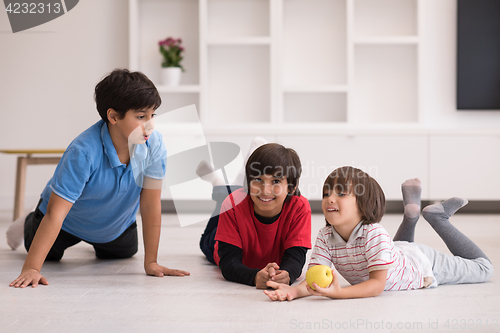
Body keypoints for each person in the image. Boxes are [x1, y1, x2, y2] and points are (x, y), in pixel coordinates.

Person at [8, 69, 190, 288]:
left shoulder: (154, 144)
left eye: (153, 116)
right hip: (67, 221)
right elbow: (55, 214)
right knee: (48, 255)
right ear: (113, 116)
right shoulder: (83, 152)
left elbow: (150, 204)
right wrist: (31, 269)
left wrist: (151, 262)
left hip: (113, 225)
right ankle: (29, 218)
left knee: (124, 253)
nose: (150, 125)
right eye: (141, 117)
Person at [264, 166, 493, 300]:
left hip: (422, 263)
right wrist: (293, 292)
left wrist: (339, 294)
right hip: (396, 253)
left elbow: (377, 285)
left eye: (341, 194)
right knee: (398, 248)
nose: (329, 199)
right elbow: (315, 279)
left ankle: (437, 218)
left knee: (484, 268)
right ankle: (410, 215)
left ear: (363, 204)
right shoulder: (325, 236)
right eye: (326, 193)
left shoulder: (374, 234)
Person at [198, 142, 312, 289]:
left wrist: (287, 274)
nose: (266, 190)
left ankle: (223, 181)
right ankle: (217, 180)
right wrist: (254, 277)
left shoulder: (299, 207)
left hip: (245, 199)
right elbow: (229, 262)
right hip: (224, 236)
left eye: (276, 181)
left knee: (234, 195)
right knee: (224, 204)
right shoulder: (232, 204)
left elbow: (296, 256)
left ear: (291, 187)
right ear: (249, 182)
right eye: (258, 179)